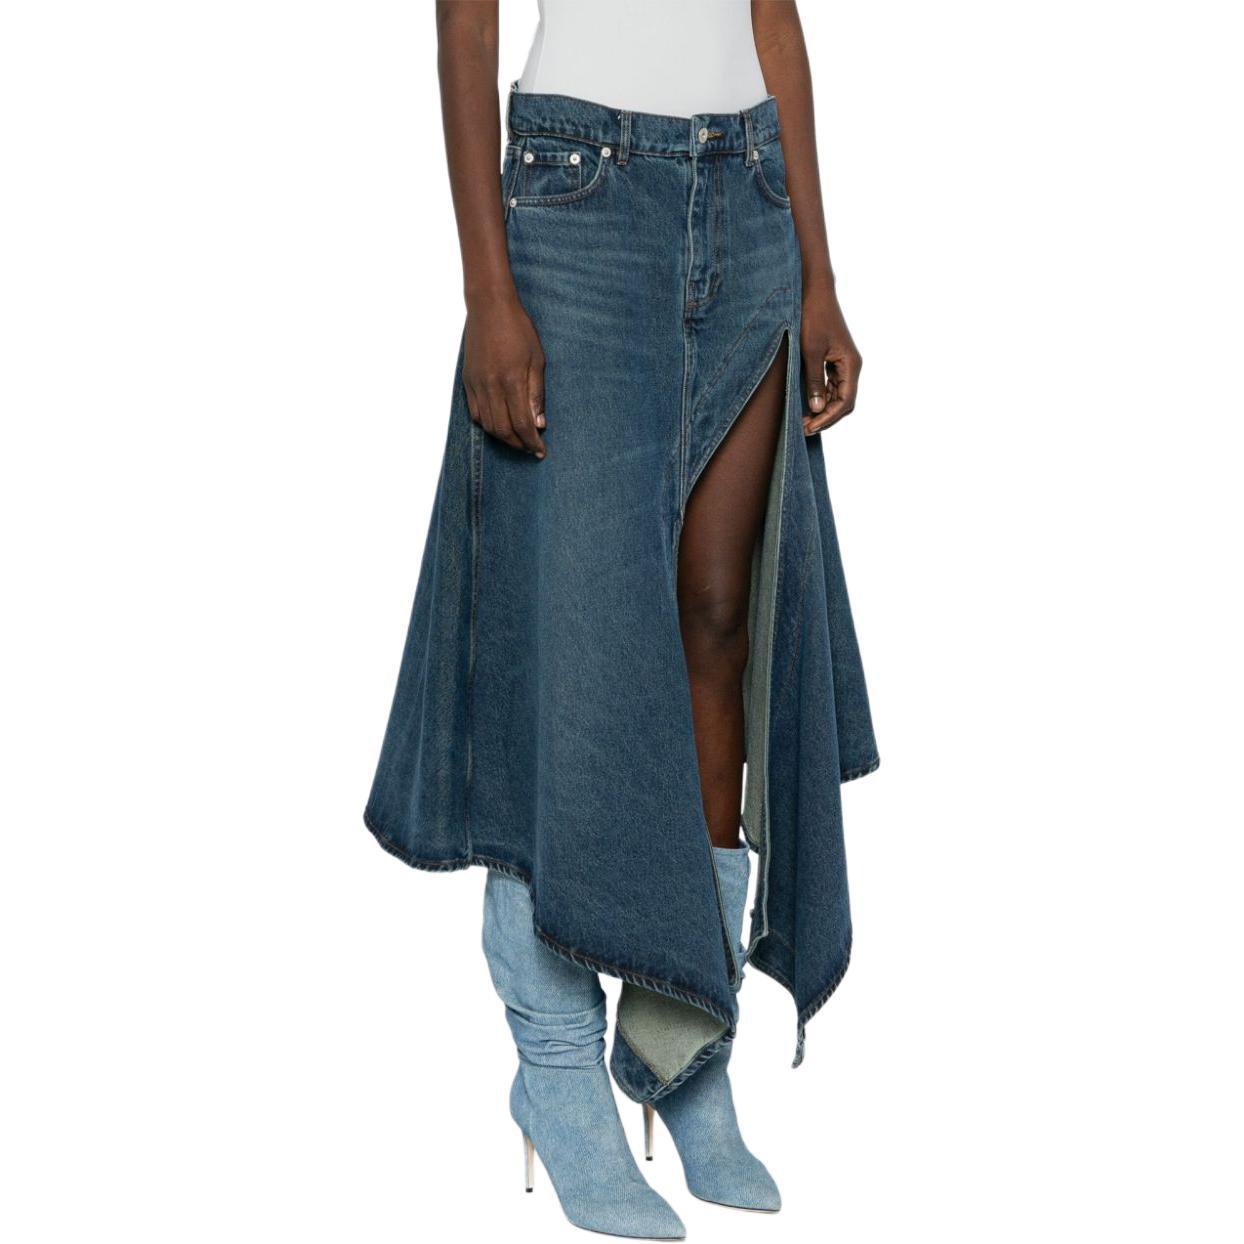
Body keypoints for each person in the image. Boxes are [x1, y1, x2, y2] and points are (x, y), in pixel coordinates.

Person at [364, 2, 879, 1236]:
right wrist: (488, 290)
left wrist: (819, 273)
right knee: (570, 652)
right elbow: (464, 25)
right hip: (576, 202)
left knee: (719, 623)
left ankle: (678, 1038)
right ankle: (553, 1064)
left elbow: (769, 13)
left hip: (748, 193)